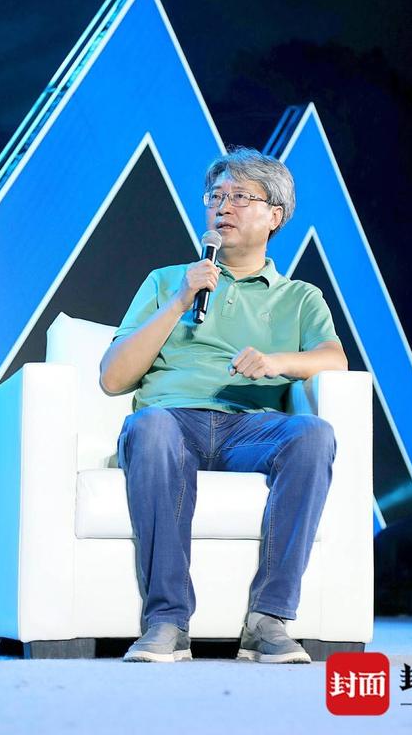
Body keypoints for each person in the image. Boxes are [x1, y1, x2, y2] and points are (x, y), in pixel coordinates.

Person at [99, 146, 348, 663]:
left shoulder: (299, 297)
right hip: (172, 421)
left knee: (314, 435)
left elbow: (334, 360)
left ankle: (269, 620)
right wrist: (180, 300)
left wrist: (277, 361)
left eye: (240, 197)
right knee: (150, 427)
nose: (223, 207)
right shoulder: (166, 280)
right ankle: (167, 621)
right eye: (216, 196)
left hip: (251, 428)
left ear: (274, 216)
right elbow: (113, 378)